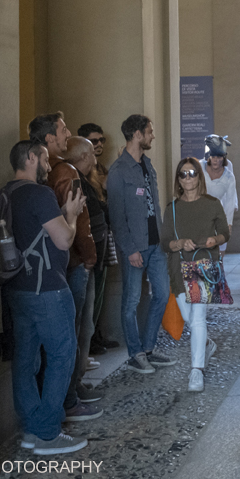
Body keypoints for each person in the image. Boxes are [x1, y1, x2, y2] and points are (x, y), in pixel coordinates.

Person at [3, 139, 89, 455]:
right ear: (30, 157)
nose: (50, 166)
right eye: (45, 159)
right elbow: (64, 239)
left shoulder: (4, 193)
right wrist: (72, 213)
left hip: (16, 289)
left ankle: (31, 429)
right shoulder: (39, 195)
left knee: (25, 359)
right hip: (48, 289)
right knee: (62, 355)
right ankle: (47, 432)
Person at [28, 113, 100, 422]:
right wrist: (89, 257)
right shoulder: (65, 172)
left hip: (53, 266)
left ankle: (70, 392)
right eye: (63, 130)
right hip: (71, 264)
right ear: (49, 140)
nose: (68, 134)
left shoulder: (47, 175)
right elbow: (77, 221)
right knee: (71, 335)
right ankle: (67, 399)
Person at [106, 114, 174, 374]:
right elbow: (116, 216)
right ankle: (135, 353)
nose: (152, 136)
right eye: (149, 131)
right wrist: (129, 249)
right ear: (137, 134)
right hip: (134, 246)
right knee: (132, 301)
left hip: (155, 244)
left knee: (161, 294)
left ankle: (148, 347)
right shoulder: (118, 171)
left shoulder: (148, 165)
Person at [161, 158, 229, 392]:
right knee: (189, 319)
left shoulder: (212, 203)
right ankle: (206, 344)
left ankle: (196, 371)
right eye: (183, 174)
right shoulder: (172, 208)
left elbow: (225, 233)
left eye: (192, 173)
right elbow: (164, 242)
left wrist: (215, 240)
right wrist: (178, 243)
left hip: (203, 267)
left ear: (200, 176)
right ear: (178, 180)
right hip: (179, 268)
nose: (188, 177)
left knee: (198, 319)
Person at [63, 137, 105, 407]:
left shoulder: (86, 178)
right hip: (79, 263)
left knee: (85, 320)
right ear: (82, 156)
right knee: (78, 322)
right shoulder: (71, 179)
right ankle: (72, 386)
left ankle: (76, 380)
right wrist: (89, 256)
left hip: (87, 260)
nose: (96, 159)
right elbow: (77, 223)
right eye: (91, 153)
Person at [77, 122, 118, 354]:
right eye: (94, 141)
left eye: (102, 140)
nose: (99, 145)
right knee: (91, 294)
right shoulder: (78, 175)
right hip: (91, 240)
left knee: (98, 292)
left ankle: (96, 336)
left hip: (104, 235)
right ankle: (89, 342)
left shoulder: (100, 168)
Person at [200, 134, 238, 235]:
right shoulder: (200, 167)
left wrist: (228, 223)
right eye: (213, 156)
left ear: (224, 157)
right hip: (197, 210)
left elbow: (230, 201)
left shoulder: (229, 177)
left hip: (215, 212)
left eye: (219, 157)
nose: (215, 160)